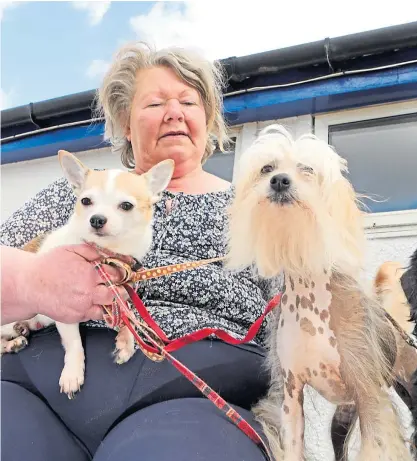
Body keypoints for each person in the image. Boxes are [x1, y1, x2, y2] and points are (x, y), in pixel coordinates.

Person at [0, 41, 281, 461]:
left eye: (188, 100)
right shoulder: (80, 191)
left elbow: (299, 304)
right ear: (126, 125)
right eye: (154, 103)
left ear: (209, 120)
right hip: (32, 383)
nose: (173, 112)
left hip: (191, 395)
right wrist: (32, 280)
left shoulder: (254, 207)